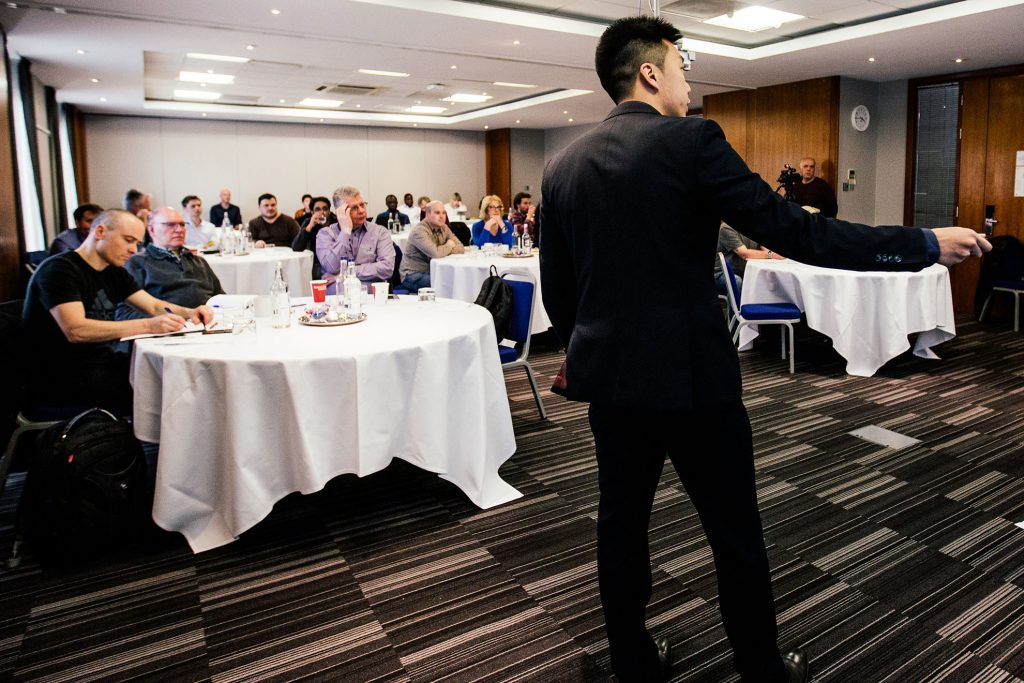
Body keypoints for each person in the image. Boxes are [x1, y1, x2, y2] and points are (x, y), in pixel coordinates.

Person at [540, 16, 990, 683]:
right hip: (694, 382)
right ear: (650, 73)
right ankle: (760, 669)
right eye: (682, 68)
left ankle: (632, 662)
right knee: (734, 531)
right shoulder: (692, 141)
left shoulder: (561, 167)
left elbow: (559, 295)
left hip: (611, 385)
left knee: (621, 525)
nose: (688, 84)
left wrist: (600, 348)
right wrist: (922, 244)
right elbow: (799, 234)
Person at [22, 209, 213, 414]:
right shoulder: (59, 270)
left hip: (101, 364)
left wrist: (190, 312)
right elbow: (76, 330)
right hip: (62, 377)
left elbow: (153, 306)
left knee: (179, 376)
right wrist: (149, 325)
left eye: (137, 243)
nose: (133, 250)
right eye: (128, 240)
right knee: (170, 388)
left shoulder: (112, 271)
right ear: (100, 232)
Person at [116, 207, 224, 320]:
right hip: (168, 326)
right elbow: (125, 313)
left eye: (182, 224)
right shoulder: (138, 263)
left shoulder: (199, 261)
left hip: (210, 322)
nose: (179, 230)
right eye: (170, 224)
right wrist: (164, 321)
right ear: (151, 229)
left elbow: (221, 298)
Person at [316, 186, 394, 295]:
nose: (361, 211)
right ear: (340, 212)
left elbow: (387, 268)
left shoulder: (380, 232)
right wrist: (345, 232)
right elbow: (331, 268)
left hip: (371, 295)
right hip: (339, 298)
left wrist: (345, 273)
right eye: (354, 208)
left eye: (362, 205)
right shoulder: (325, 234)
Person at [400, 200, 464, 293]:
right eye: (437, 213)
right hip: (413, 275)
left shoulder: (444, 228)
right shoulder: (419, 231)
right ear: (427, 214)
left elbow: (460, 248)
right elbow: (436, 253)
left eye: (444, 213)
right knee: (448, 282)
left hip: (432, 271)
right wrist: (449, 245)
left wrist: (442, 250)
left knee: (456, 278)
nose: (442, 216)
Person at [714, 223, 784, 298]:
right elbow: (744, 253)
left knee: (767, 279)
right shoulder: (726, 228)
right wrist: (770, 255)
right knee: (736, 281)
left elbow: (765, 248)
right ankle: (736, 306)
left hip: (745, 272)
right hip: (720, 274)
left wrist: (777, 254)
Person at [292, 195, 335, 280]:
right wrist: (309, 227)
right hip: (317, 263)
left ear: (329, 211)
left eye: (325, 209)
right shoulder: (309, 222)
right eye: (318, 209)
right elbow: (296, 248)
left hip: (335, 262)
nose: (322, 212)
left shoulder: (336, 221)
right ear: (312, 212)